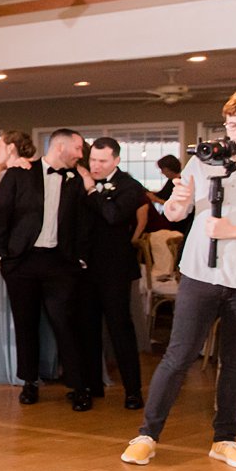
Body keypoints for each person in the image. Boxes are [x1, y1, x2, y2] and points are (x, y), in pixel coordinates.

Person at [121, 91, 236, 470]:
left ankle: (225, 440)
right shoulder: (201, 163)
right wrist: (177, 201)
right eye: (232, 125)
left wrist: (234, 230)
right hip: (200, 275)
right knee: (178, 356)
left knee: (235, 362)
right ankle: (146, 435)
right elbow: (174, 213)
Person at [0, 128, 90, 408]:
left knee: (65, 324)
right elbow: (0, 215)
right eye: (78, 148)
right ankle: (29, 383)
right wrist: (1, 256)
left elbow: (83, 221)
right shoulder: (19, 174)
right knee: (25, 324)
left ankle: (79, 386)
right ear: (60, 147)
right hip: (22, 261)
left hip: (60, 263)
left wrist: (80, 258)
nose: (81, 155)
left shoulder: (75, 179)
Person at [77, 138, 147, 409]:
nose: (95, 165)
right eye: (93, 159)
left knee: (120, 328)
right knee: (87, 328)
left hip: (115, 269)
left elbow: (113, 216)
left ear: (116, 161)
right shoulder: (80, 182)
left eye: (102, 161)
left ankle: (133, 391)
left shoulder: (131, 187)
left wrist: (93, 191)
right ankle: (91, 387)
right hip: (84, 268)